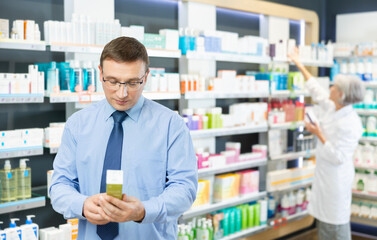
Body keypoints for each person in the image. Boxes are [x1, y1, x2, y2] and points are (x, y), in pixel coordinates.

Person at [50, 37, 198, 240]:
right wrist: (82, 205)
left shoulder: (171, 125)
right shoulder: (78, 124)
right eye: (112, 81)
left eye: (132, 82)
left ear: (146, 77)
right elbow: (59, 185)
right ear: (100, 74)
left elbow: (185, 189)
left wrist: (144, 211)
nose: (122, 93)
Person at [288, 50, 365, 240]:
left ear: (341, 94)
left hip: (336, 181)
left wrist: (318, 133)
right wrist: (299, 65)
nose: (330, 87)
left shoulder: (351, 123)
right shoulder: (334, 107)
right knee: (324, 225)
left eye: (334, 86)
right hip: (325, 177)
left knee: (335, 228)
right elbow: (316, 90)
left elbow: (338, 157)